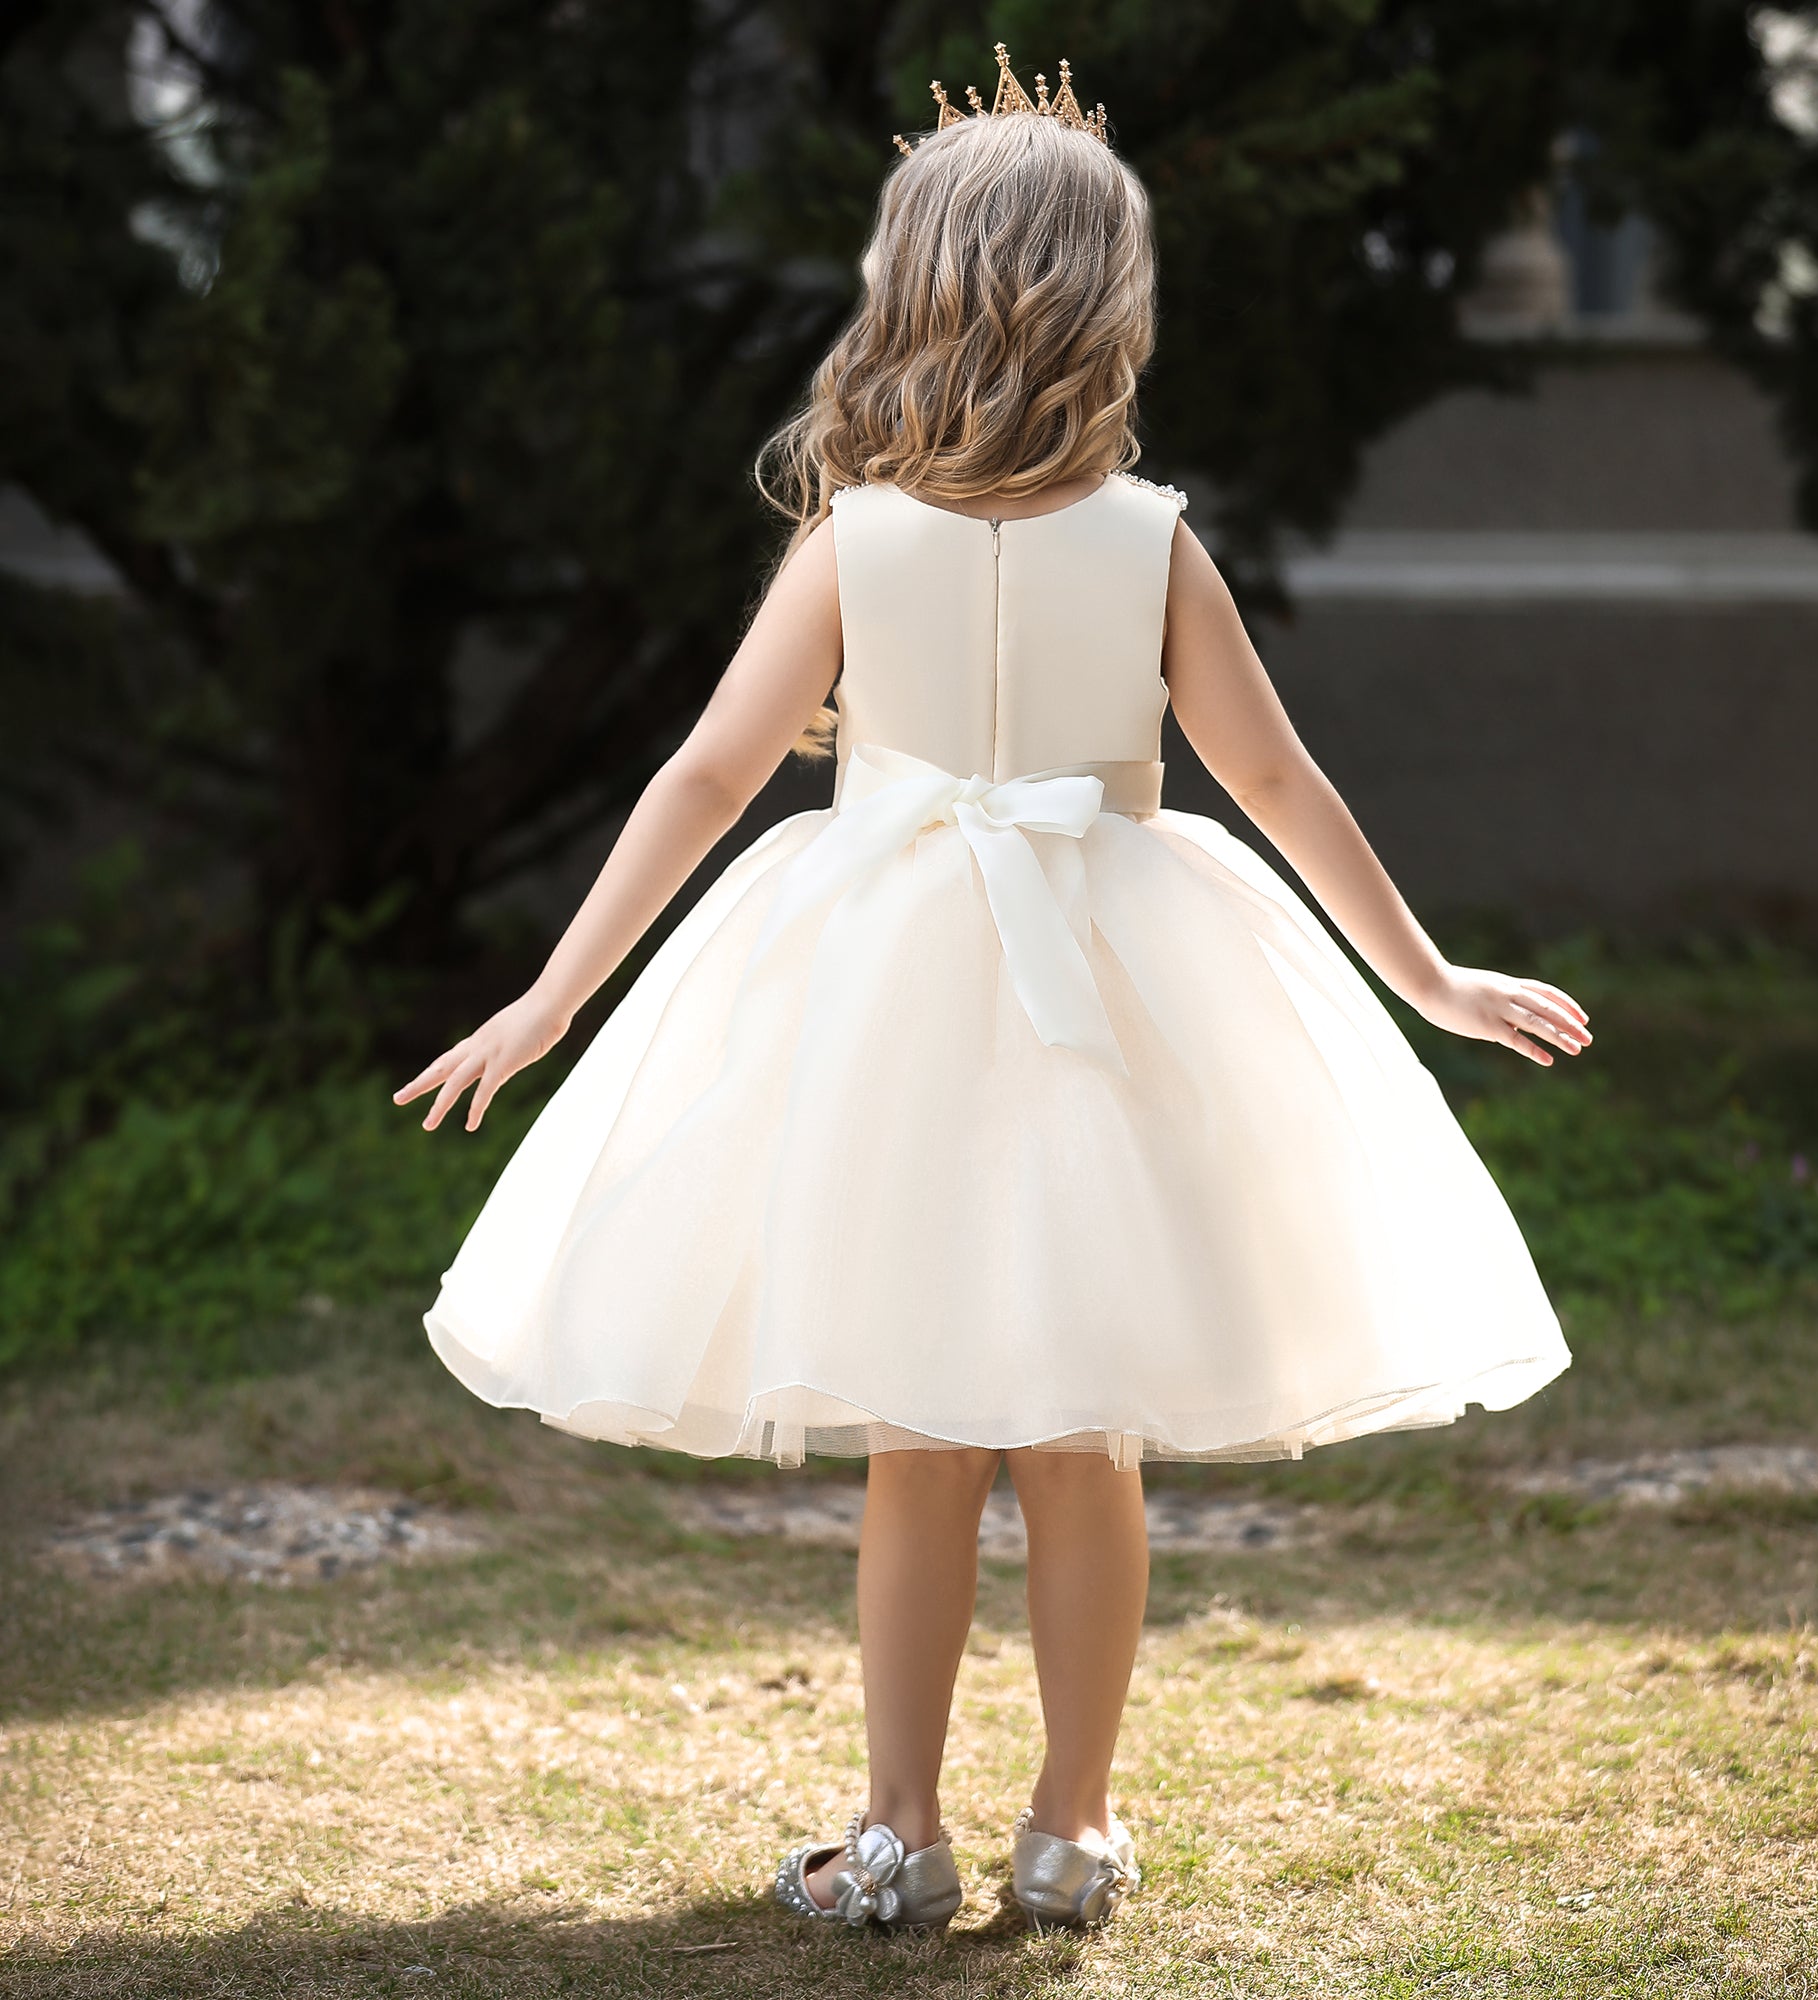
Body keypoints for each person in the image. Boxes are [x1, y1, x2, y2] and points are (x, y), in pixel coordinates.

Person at [394, 44, 1586, 1939]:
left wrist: (555, 997)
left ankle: (893, 1838)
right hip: (1115, 994)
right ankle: (1070, 1831)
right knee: (1085, 1436)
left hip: (878, 992)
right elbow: (1275, 786)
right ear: (1106, 308)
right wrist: (1421, 975)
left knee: (920, 1440)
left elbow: (705, 777)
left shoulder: (853, 540)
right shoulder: (1156, 538)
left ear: (913, 297)